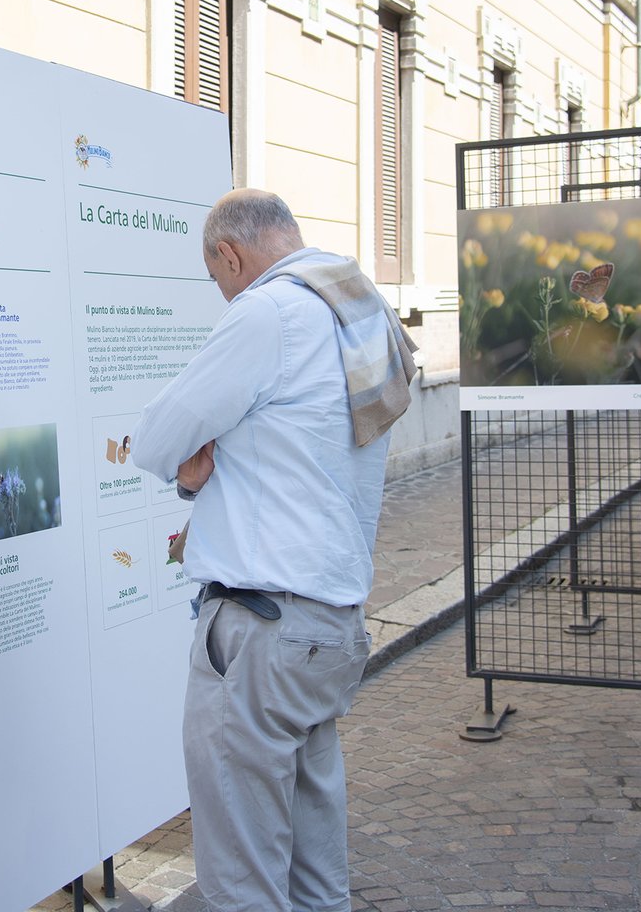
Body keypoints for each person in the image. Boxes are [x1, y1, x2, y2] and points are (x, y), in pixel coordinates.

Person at [132, 188, 417, 912]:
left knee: (241, 877)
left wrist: (190, 471)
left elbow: (158, 437)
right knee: (317, 867)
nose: (223, 294)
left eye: (216, 278)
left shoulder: (269, 312)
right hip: (329, 623)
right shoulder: (359, 306)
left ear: (230, 255)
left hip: (262, 627)